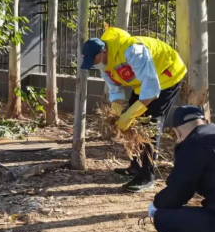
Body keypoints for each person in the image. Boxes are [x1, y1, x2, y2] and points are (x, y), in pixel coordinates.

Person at [80, 27, 187, 192]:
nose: (95, 65)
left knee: (149, 125)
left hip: (167, 75)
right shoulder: (104, 65)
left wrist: (130, 114)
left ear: (103, 52)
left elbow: (151, 87)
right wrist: (116, 114)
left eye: (95, 60)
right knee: (135, 122)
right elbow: (115, 90)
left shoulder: (132, 50)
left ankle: (147, 175)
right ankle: (135, 167)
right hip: (144, 83)